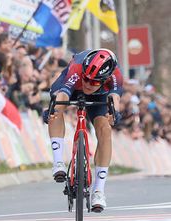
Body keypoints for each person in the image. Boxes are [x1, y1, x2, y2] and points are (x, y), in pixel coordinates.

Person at [43, 48, 123, 212]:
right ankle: (58, 162)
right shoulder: (78, 68)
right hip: (70, 86)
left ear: (105, 79)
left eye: (93, 82)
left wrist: (114, 114)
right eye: (86, 79)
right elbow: (64, 94)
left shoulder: (115, 76)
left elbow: (114, 100)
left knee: (105, 129)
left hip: (99, 96)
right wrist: (55, 110)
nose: (87, 84)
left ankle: (99, 191)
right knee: (56, 108)